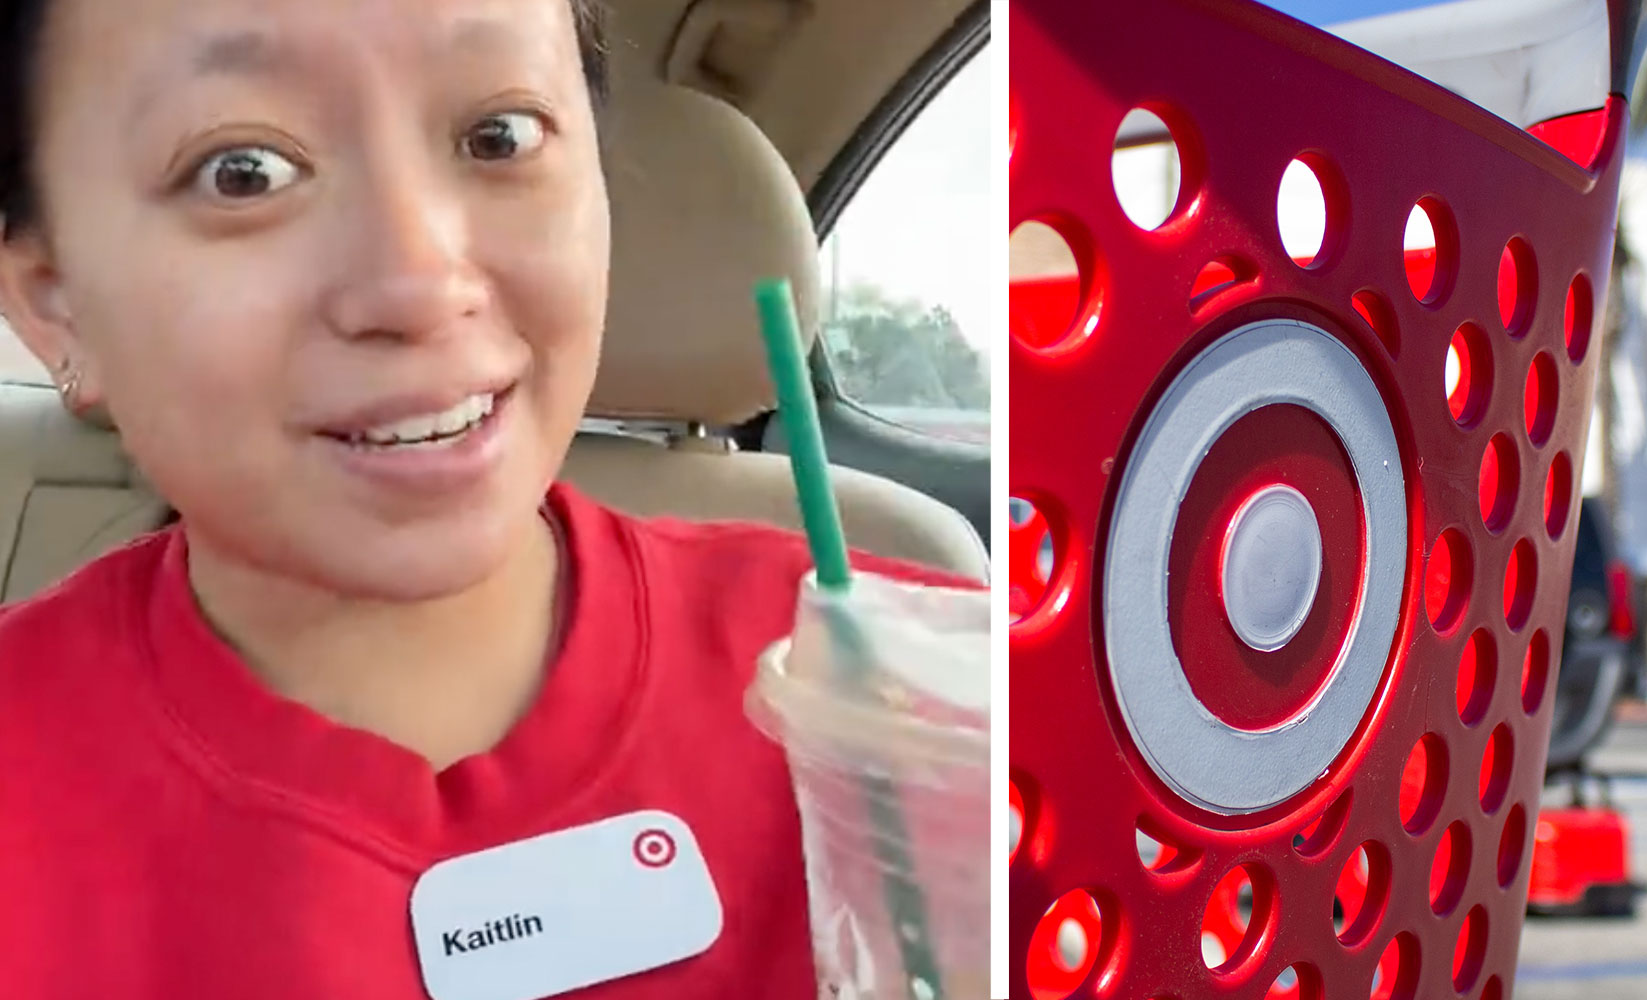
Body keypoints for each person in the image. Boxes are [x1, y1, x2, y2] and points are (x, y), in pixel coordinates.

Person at [0, 0, 971, 996]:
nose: (419, 280)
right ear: (52, 296)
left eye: (496, 135)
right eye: (241, 172)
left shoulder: (938, 693)